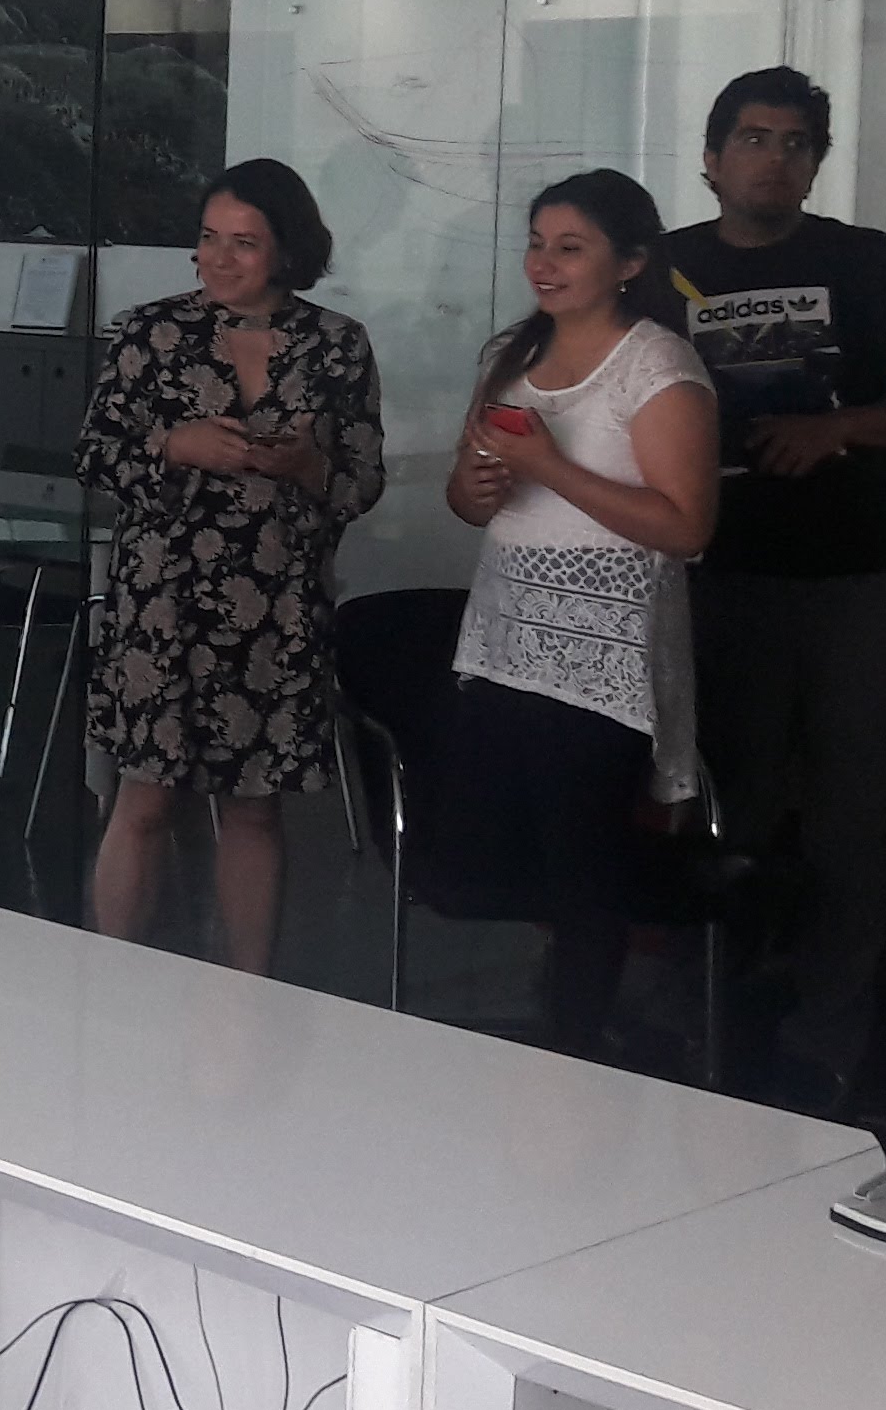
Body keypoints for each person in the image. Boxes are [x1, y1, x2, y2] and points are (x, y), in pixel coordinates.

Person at [663, 65, 886, 1104]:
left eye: (796, 143)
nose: (774, 158)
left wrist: (838, 428)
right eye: (754, 138)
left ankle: (831, 1036)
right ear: (711, 158)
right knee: (723, 809)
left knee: (848, 822)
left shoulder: (860, 260)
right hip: (719, 575)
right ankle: (706, 1018)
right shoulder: (665, 268)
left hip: (859, 579)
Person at [72, 158, 388, 971]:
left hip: (277, 605)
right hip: (162, 602)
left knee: (254, 809)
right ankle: (109, 983)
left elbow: (361, 482)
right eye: (209, 238)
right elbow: (95, 454)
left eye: (243, 242)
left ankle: (250, 994)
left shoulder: (337, 344)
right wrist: (174, 445)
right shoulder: (150, 332)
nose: (219, 258)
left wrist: (307, 467)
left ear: (288, 249)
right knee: (144, 797)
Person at [437, 171, 719, 1054]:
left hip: (604, 653)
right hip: (507, 640)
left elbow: (687, 526)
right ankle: (544, 1029)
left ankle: (575, 1056)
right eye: (536, 244)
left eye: (570, 247)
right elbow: (469, 502)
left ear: (629, 263)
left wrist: (551, 468)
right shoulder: (510, 356)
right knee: (516, 861)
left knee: (587, 874)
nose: (544, 264)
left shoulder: (657, 365)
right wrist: (476, 486)